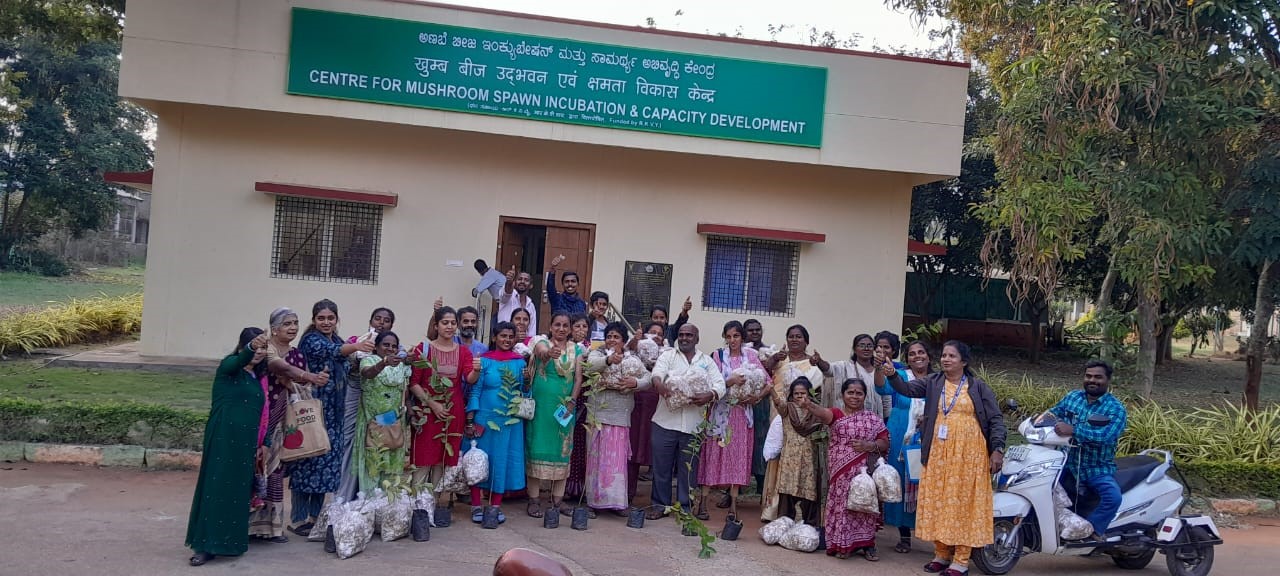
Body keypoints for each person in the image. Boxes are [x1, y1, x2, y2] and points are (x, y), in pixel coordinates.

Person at [885, 340, 1006, 576]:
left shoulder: (978, 387)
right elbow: (907, 390)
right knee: (939, 501)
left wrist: (998, 450)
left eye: (952, 356)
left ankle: (961, 560)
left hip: (969, 456)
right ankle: (941, 554)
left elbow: (996, 420)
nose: (946, 359)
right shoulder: (933, 382)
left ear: (964, 361)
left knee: (963, 504)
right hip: (939, 454)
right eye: (943, 355)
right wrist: (891, 375)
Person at [185, 328, 270, 566]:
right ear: (241, 347)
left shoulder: (259, 378)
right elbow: (238, 360)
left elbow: (264, 414)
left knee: (237, 494)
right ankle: (203, 546)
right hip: (223, 439)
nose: (259, 352)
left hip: (246, 444)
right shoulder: (228, 369)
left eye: (263, 348)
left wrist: (265, 441)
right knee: (216, 488)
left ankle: (229, 544)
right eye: (253, 347)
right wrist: (251, 347)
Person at [291, 300, 373, 536]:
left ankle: (316, 517)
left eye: (330, 318)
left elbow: (344, 357)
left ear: (337, 319)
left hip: (335, 413)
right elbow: (335, 352)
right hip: (314, 412)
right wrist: (357, 346)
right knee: (307, 462)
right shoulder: (312, 340)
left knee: (326, 467)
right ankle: (298, 519)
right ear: (314, 320)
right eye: (321, 318)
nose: (326, 322)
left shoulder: (336, 339)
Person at [252, 308, 329, 541]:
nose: (293, 327)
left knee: (275, 471)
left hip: (286, 420)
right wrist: (310, 377)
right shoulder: (266, 349)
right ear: (274, 328)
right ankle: (248, 526)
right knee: (256, 468)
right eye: (287, 324)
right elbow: (280, 368)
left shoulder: (297, 354)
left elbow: (299, 386)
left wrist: (306, 381)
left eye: (295, 323)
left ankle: (272, 528)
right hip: (261, 418)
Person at [805, 378, 890, 561]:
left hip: (865, 474)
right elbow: (822, 413)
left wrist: (869, 445)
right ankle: (842, 544)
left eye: (859, 393)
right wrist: (809, 404)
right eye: (850, 392)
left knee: (864, 506)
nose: (854, 396)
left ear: (865, 396)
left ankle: (867, 545)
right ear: (842, 395)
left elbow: (884, 443)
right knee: (843, 507)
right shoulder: (836, 414)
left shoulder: (872, 419)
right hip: (841, 473)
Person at [648, 324, 727, 519]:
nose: (684, 338)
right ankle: (660, 505)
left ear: (697, 338)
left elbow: (720, 384)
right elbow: (656, 374)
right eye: (681, 335)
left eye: (689, 335)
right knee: (662, 467)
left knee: (688, 470)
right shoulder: (668, 356)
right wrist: (661, 387)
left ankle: (685, 507)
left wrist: (710, 394)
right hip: (665, 422)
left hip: (693, 425)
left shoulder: (706, 361)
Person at [1050, 359, 1127, 541]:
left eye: (1098, 377)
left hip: (1096, 468)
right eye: (1089, 376)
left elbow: (1106, 436)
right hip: (1065, 463)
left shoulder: (1115, 409)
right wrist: (1037, 421)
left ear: (1108, 380)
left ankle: (1091, 532)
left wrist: (1074, 430)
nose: (1092, 380)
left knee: (1113, 497)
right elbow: (1053, 413)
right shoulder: (1073, 397)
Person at [409, 306, 480, 494]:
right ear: (436, 325)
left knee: (443, 459)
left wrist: (478, 370)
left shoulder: (464, 352)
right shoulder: (422, 350)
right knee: (423, 458)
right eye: (445, 323)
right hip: (426, 410)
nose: (449, 327)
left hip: (452, 411)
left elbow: (469, 379)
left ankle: (433, 504)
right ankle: (417, 507)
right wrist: (432, 404)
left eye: (453, 323)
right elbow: (414, 383)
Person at [698, 321, 764, 520]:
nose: (732, 340)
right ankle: (702, 502)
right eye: (728, 336)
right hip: (720, 413)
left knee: (737, 458)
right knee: (712, 455)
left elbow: (767, 382)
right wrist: (730, 381)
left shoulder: (751, 356)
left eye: (736, 336)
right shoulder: (718, 356)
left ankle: (734, 506)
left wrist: (756, 397)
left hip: (741, 415)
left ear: (742, 337)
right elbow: (712, 383)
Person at [760, 325, 827, 523]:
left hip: (803, 419)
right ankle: (772, 509)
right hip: (780, 413)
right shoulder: (780, 359)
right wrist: (774, 360)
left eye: (799, 337)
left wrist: (819, 362)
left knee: (798, 462)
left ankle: (797, 510)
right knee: (777, 459)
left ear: (806, 341)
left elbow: (822, 385)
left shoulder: (812, 363)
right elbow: (762, 373)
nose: (794, 340)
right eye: (791, 337)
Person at [464, 321, 528, 524]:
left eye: (511, 337)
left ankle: (494, 506)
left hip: (509, 421)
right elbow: (475, 390)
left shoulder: (520, 363)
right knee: (478, 461)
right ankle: (475, 505)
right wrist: (471, 418)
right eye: (503, 336)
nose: (507, 340)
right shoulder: (484, 361)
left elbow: (525, 394)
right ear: (494, 338)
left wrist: (527, 382)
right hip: (485, 418)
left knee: (502, 461)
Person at [583, 322, 649, 514]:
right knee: (596, 461)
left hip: (620, 417)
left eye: (616, 337)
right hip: (598, 416)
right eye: (609, 336)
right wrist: (609, 360)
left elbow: (648, 377)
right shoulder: (597, 354)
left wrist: (634, 382)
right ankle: (593, 503)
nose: (612, 339)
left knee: (617, 463)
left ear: (623, 340)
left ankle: (617, 504)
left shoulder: (632, 359)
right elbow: (589, 367)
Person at [524, 312, 585, 519]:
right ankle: (533, 500)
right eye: (557, 325)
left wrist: (572, 401)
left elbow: (578, 379)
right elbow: (541, 353)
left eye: (565, 325)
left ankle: (557, 501)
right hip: (541, 408)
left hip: (564, 409)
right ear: (550, 327)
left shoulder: (576, 349)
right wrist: (549, 353)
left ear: (569, 329)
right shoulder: (541, 342)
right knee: (536, 449)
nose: (561, 329)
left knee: (562, 451)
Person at [337, 307, 396, 501]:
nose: (381, 323)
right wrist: (359, 353)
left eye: (386, 320)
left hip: (380, 406)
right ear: (370, 321)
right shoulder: (356, 341)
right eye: (377, 319)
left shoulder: (393, 347)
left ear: (391, 325)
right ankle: (345, 495)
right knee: (350, 441)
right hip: (355, 396)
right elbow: (345, 366)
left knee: (379, 443)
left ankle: (375, 497)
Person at [883, 340, 931, 553]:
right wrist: (880, 368)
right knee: (902, 482)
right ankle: (904, 536)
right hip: (901, 437)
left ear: (929, 356)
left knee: (926, 485)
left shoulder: (938, 380)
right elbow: (880, 387)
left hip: (928, 439)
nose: (916, 356)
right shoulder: (900, 376)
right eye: (912, 353)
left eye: (921, 352)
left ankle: (932, 534)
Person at [354, 331, 411, 494]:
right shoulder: (369, 360)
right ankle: (369, 504)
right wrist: (383, 363)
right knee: (373, 463)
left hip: (393, 422)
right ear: (377, 346)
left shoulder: (400, 365)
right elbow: (367, 373)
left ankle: (387, 505)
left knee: (391, 463)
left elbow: (404, 389)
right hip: (372, 421)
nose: (390, 348)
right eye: (386, 344)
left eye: (394, 346)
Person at [627, 321, 667, 501]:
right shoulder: (635, 351)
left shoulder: (668, 355)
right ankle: (628, 493)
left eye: (659, 333)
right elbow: (626, 351)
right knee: (632, 448)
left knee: (656, 452)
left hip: (658, 408)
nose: (655, 336)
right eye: (652, 332)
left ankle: (656, 500)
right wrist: (635, 341)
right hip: (636, 403)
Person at [563, 313, 592, 509]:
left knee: (581, 443)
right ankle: (565, 486)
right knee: (567, 441)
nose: (581, 330)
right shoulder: (567, 349)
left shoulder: (593, 349)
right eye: (577, 326)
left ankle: (580, 486)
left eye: (584, 326)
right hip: (568, 398)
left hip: (586, 399)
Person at [743, 318, 772, 501]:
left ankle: (762, 488)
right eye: (750, 330)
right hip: (741, 403)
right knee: (739, 444)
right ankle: (732, 492)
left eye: (757, 330)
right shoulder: (740, 351)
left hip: (761, 403)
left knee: (761, 443)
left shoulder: (769, 352)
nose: (754, 333)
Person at [827, 334, 886, 417]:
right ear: (854, 349)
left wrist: (887, 417)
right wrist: (818, 361)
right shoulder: (845, 367)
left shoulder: (880, 370)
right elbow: (828, 369)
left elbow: (886, 397)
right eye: (862, 345)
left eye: (869, 346)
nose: (866, 348)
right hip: (848, 419)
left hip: (874, 419)